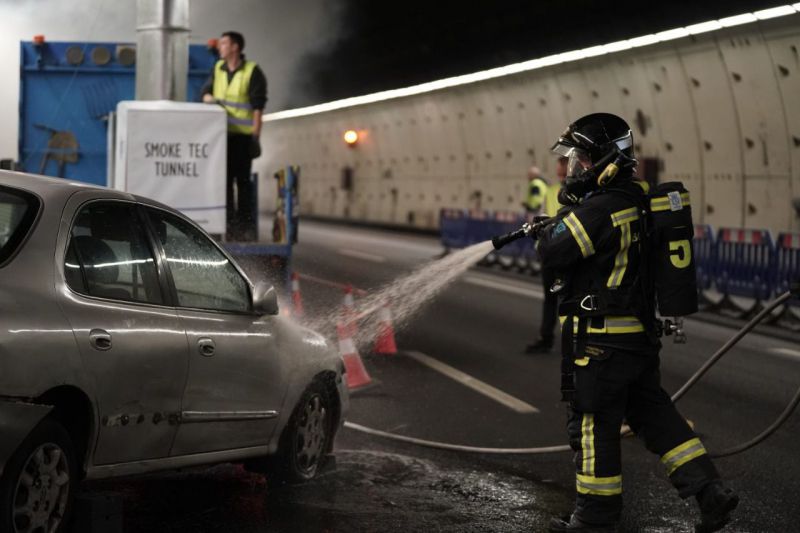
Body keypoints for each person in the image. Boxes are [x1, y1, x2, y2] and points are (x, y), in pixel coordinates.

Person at [534, 113, 738, 532]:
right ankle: (710, 492)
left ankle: (595, 519)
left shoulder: (602, 208)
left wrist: (554, 224)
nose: (576, 168)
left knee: (593, 426)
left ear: (606, 159)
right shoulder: (641, 199)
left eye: (582, 160)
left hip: (599, 344)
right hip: (638, 341)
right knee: (656, 418)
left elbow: (555, 251)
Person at [202, 31, 268, 241]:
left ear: (235, 47)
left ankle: (245, 227)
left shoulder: (252, 71)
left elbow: (258, 108)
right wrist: (209, 98)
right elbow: (204, 93)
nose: (220, 47)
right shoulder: (218, 69)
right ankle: (229, 227)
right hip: (222, 137)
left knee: (243, 183)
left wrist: (255, 138)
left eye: (224, 44)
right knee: (225, 182)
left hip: (243, 138)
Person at [526, 156, 567, 354]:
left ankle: (574, 342)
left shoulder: (582, 193)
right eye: (559, 173)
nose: (561, 177)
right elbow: (542, 217)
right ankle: (545, 337)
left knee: (569, 299)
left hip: (569, 254)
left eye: (564, 173)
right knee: (550, 298)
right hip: (550, 253)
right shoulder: (551, 191)